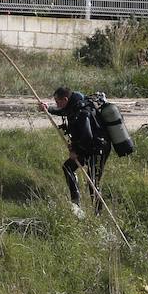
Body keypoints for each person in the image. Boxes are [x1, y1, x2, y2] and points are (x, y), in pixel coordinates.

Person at [40, 87, 111, 218]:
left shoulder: (82, 111)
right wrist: (48, 109)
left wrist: (76, 152)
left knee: (92, 181)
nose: (57, 104)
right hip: (87, 147)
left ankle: (98, 214)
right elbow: (63, 111)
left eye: (58, 101)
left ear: (65, 99)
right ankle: (76, 203)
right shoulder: (73, 106)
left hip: (98, 148)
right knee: (68, 167)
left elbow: (87, 136)